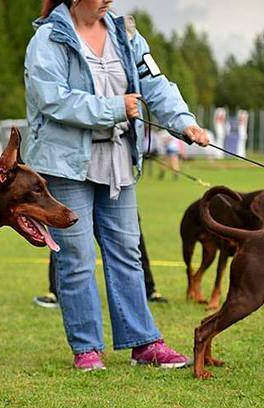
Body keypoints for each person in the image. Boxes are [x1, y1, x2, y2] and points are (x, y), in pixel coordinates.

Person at [25, 0, 210, 371]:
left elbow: (156, 84)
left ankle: (144, 342)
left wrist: (183, 122)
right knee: (75, 258)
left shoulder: (126, 34)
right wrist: (113, 107)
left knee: (127, 252)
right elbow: (52, 100)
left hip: (118, 161)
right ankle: (87, 349)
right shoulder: (48, 38)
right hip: (67, 165)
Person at [33, 216, 167, 308]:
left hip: (113, 182)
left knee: (129, 239)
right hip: (74, 180)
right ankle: (55, 292)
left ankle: (148, 289)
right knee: (67, 235)